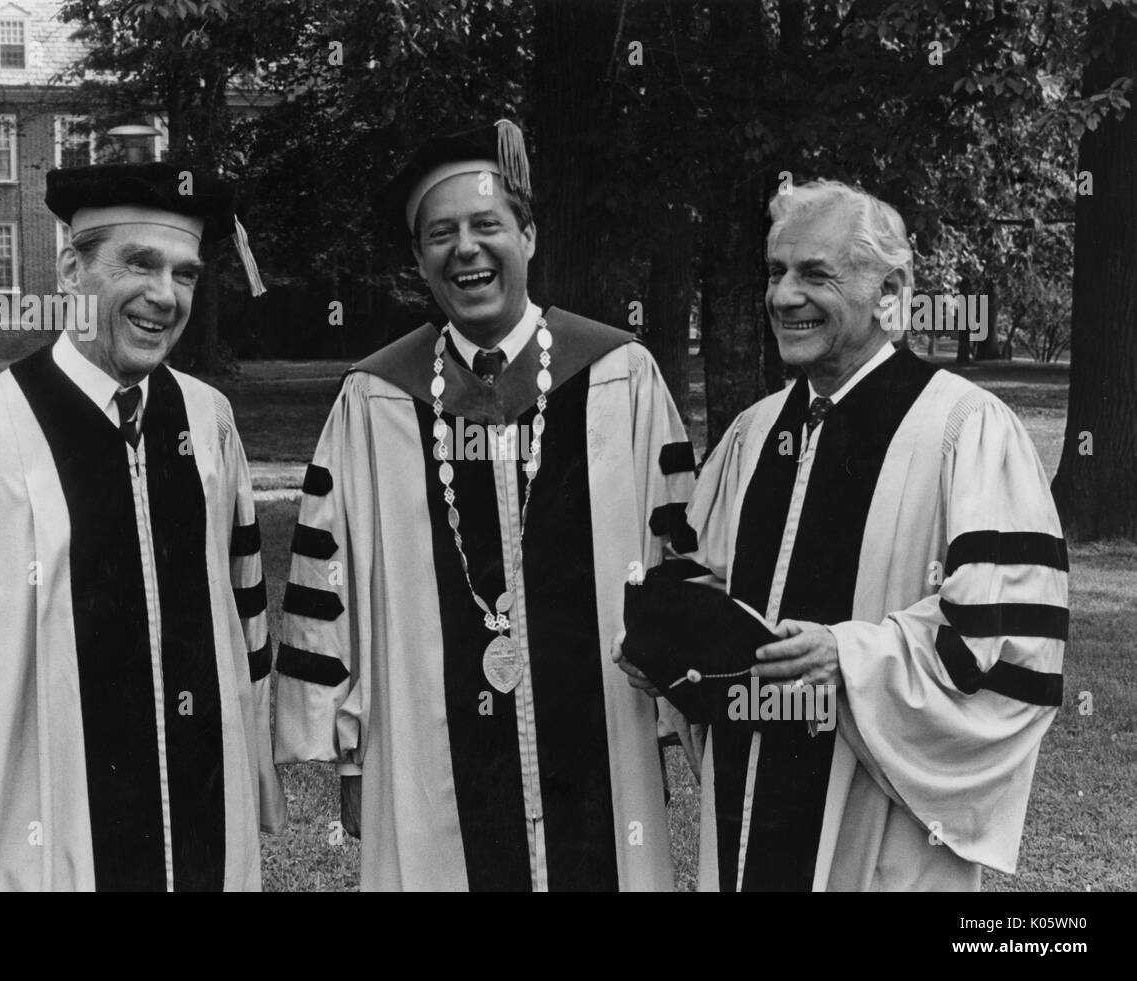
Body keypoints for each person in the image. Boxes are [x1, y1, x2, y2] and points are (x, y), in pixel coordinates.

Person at [273, 121, 695, 891]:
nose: (464, 249)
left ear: (527, 237)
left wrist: (672, 717)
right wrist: (347, 745)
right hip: (427, 751)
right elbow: (325, 590)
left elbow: (676, 557)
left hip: (601, 736)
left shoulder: (620, 378)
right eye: (441, 235)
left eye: (487, 226)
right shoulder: (375, 399)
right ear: (419, 261)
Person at [619, 179, 1067, 891]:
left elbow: (1008, 638)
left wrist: (847, 656)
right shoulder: (754, 432)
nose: (784, 296)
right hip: (748, 793)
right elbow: (706, 586)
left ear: (890, 292)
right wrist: (667, 650)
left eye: (814, 274)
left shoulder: (966, 431)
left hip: (876, 817)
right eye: (775, 272)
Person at [0, 162, 286, 891]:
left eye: (184, 274)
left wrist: (252, 790)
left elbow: (244, 643)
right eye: (139, 264)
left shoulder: (210, 424)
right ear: (69, 268)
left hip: (204, 849)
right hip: (42, 860)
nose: (163, 295)